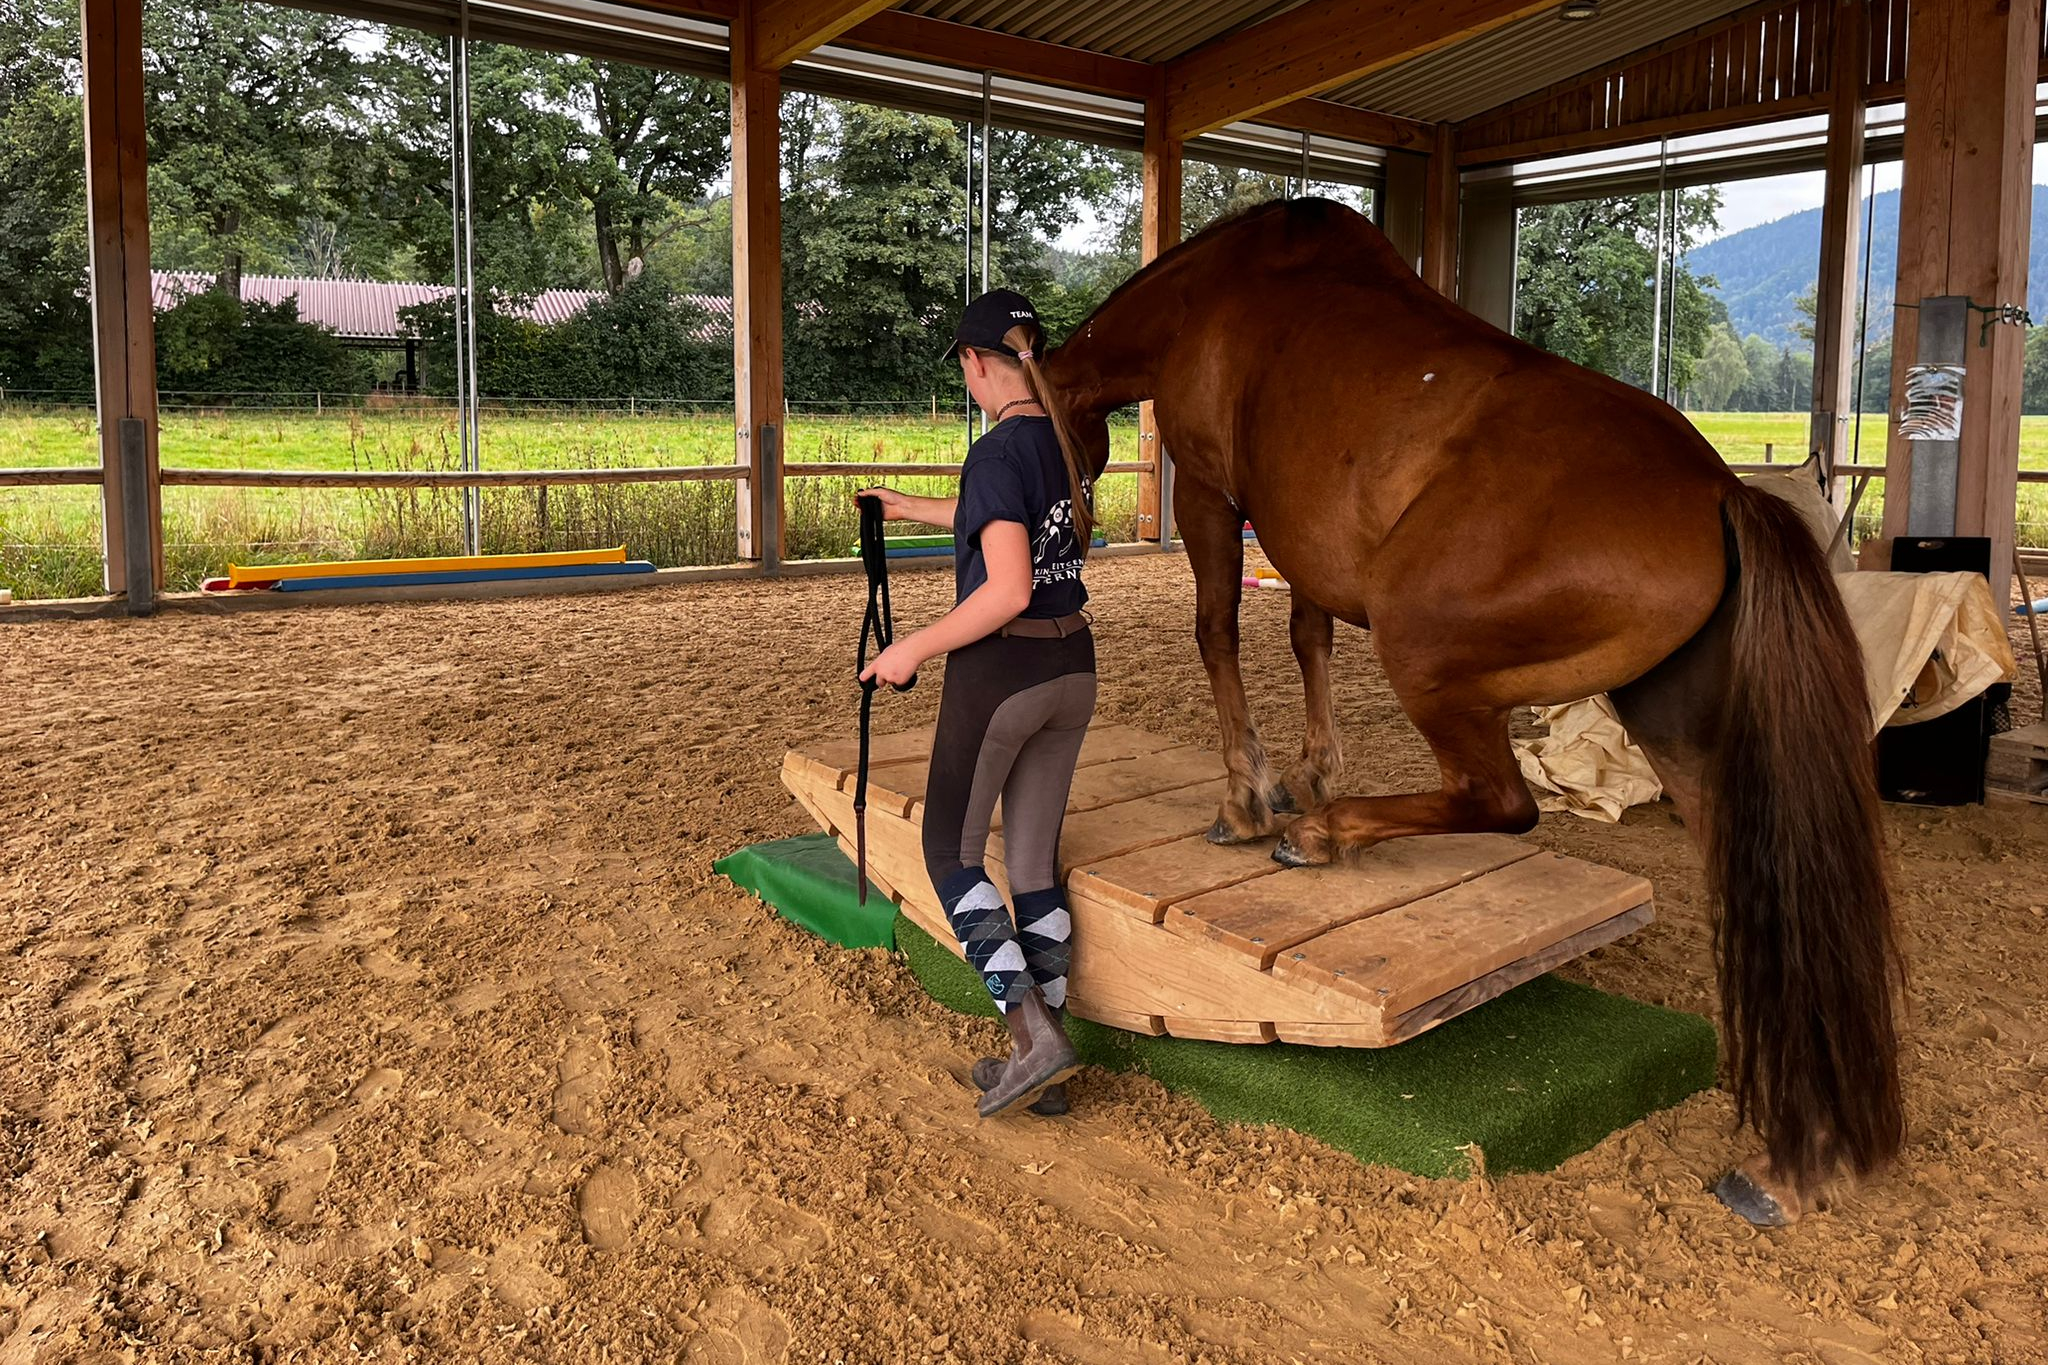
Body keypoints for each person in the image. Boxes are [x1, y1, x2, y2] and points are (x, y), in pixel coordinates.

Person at [857, 288, 1098, 1118]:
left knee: (952, 854)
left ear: (972, 362)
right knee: (1030, 863)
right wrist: (906, 507)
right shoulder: (1060, 442)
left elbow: (1005, 586)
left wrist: (910, 648)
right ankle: (1051, 1056)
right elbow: (1004, 522)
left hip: (1004, 673)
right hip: (1074, 667)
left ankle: (1032, 1035)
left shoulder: (994, 453)